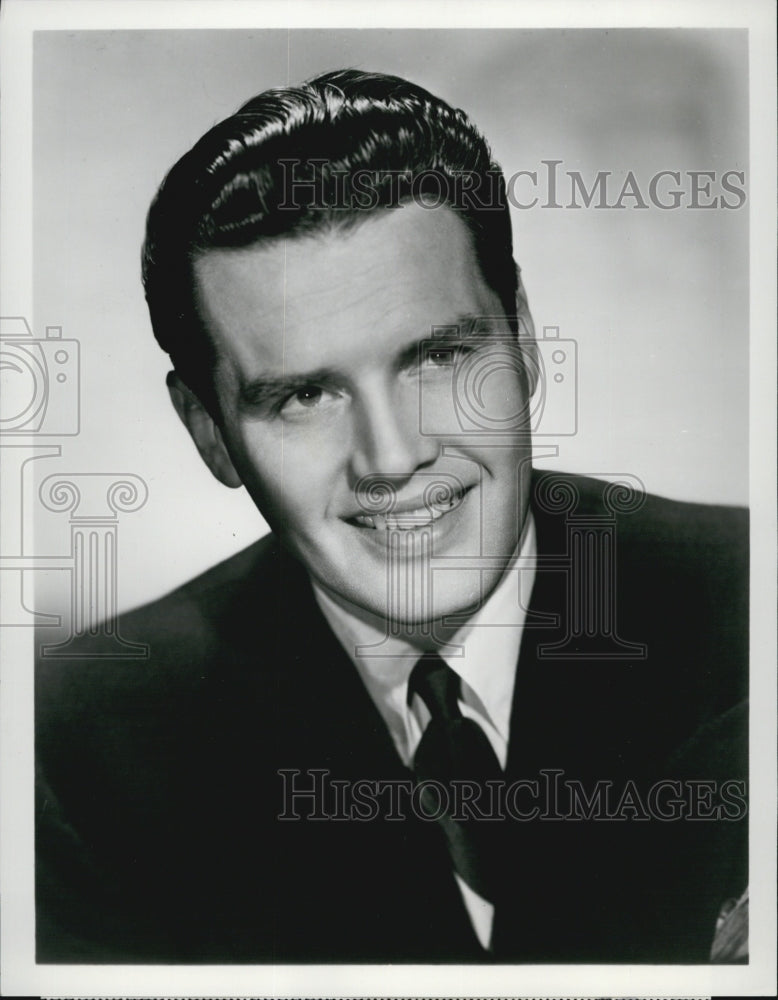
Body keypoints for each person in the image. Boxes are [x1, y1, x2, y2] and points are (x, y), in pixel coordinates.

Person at [35, 69, 748, 964]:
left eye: (439, 356)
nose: (391, 456)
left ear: (523, 340)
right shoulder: (78, 756)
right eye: (302, 396)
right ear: (209, 433)